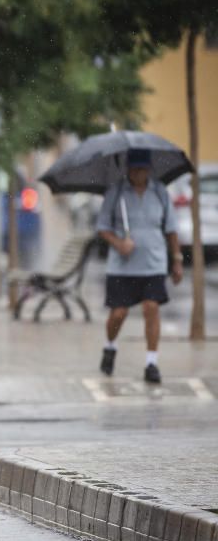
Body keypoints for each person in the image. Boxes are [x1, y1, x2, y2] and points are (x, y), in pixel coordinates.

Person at [96, 148, 183, 383]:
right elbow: (102, 227)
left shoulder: (160, 192)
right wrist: (118, 242)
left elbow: (171, 229)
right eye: (134, 168)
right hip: (122, 267)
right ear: (128, 169)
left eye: (143, 168)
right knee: (119, 313)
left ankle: (151, 363)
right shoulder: (116, 193)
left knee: (151, 308)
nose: (138, 173)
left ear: (149, 169)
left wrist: (176, 259)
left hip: (153, 263)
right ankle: (110, 346)